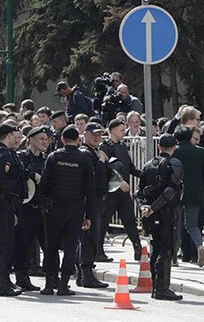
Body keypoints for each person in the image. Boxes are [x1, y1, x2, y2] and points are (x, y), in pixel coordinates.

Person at [39, 125, 97, 296]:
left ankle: (49, 284)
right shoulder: (84, 159)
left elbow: (43, 184)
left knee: (51, 246)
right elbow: (90, 191)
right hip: (75, 210)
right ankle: (64, 285)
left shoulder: (53, 157)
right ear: (78, 141)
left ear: (62, 140)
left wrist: (42, 204)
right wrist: (89, 215)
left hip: (54, 209)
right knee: (71, 247)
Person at [137, 134, 184, 301]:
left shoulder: (149, 165)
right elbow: (170, 191)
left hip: (151, 213)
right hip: (166, 213)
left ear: (159, 147)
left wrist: (145, 207)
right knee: (166, 248)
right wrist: (152, 207)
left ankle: (157, 286)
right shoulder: (174, 163)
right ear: (175, 147)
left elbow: (140, 191)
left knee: (156, 248)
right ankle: (162, 288)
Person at [98, 119, 143, 261]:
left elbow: (129, 166)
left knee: (130, 220)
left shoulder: (122, 146)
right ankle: (98, 251)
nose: (124, 132)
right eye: (121, 130)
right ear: (112, 131)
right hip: (111, 191)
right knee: (103, 222)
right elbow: (106, 169)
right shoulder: (104, 147)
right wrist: (119, 181)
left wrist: (144, 174)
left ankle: (138, 249)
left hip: (123, 192)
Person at [12, 126, 50, 292]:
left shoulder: (48, 159)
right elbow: (16, 174)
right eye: (41, 138)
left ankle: (52, 279)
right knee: (23, 245)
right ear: (31, 140)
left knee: (49, 245)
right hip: (26, 208)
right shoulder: (21, 158)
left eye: (46, 139)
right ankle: (22, 278)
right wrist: (31, 174)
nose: (44, 142)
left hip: (44, 208)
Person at [76, 122, 110, 289]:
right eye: (94, 134)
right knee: (89, 237)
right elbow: (95, 178)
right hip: (89, 199)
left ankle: (82, 274)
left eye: (100, 135)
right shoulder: (86, 153)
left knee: (88, 237)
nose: (97, 137)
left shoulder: (95, 152)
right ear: (86, 134)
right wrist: (102, 162)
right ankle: (86, 274)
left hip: (94, 199)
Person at [173, 126, 204, 266]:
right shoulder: (201, 152)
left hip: (176, 192)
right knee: (192, 225)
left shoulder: (174, 151)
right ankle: (199, 246)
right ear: (190, 137)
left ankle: (173, 256)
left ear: (176, 138)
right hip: (196, 192)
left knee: (175, 225)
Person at [0, 122, 25, 296]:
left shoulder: (9, 154)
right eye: (14, 134)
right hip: (4, 204)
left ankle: (5, 279)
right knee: (4, 245)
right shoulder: (5, 156)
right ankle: (2, 283)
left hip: (7, 204)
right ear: (8, 135)